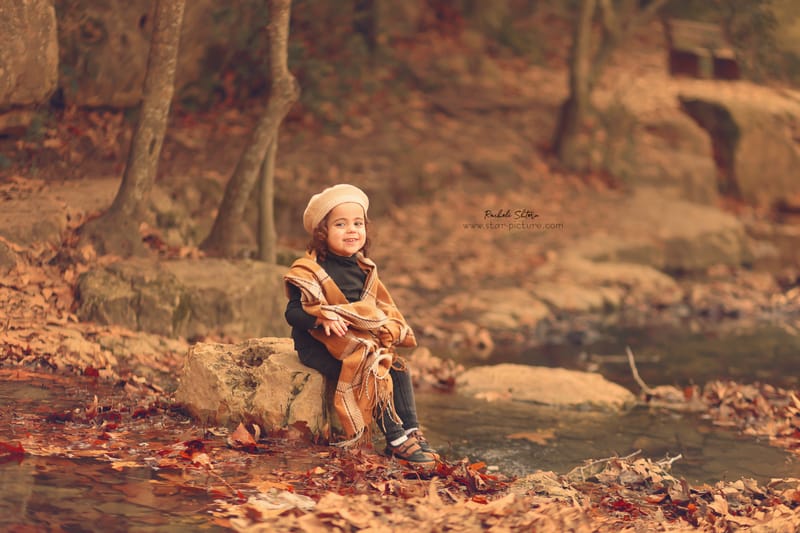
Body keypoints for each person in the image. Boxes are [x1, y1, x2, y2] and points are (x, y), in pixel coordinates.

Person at [283, 183, 438, 467]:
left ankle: (411, 429)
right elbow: (292, 313)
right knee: (372, 375)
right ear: (322, 232)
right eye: (341, 224)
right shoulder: (310, 271)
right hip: (318, 345)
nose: (352, 230)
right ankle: (395, 439)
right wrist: (321, 317)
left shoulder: (364, 269)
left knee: (398, 368)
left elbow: (376, 308)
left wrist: (385, 327)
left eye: (357, 223)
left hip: (358, 343)